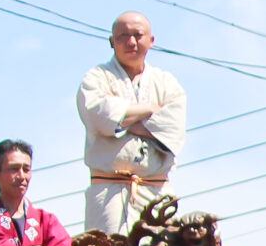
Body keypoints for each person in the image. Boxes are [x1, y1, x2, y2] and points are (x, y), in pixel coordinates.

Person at [76, 12, 186, 234]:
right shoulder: (96, 78)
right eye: (123, 36)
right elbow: (98, 114)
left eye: (138, 35)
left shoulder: (167, 83)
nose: (131, 42)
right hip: (107, 190)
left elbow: (172, 129)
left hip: (156, 192)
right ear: (111, 41)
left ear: (151, 41)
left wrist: (122, 120)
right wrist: (149, 110)